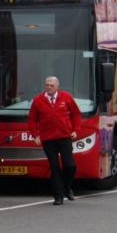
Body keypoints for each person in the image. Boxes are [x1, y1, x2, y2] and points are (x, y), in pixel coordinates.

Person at [28, 75, 82, 205]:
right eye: (47, 85)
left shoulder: (66, 97)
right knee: (54, 167)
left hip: (64, 136)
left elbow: (76, 114)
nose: (49, 87)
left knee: (70, 165)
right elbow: (32, 119)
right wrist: (35, 135)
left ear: (57, 86)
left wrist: (76, 130)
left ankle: (67, 187)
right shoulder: (38, 100)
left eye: (51, 85)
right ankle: (58, 196)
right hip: (48, 139)